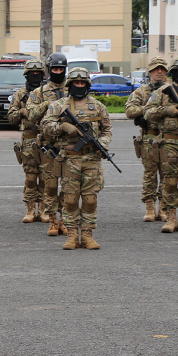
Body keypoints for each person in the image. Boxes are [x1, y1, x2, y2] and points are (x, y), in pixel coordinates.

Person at [41, 68, 112, 250]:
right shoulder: (58, 106)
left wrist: (103, 144)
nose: (79, 86)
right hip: (69, 160)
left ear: (87, 85)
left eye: (82, 83)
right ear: (70, 84)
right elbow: (46, 126)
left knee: (90, 199)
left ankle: (87, 235)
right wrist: (63, 127)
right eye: (76, 83)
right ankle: (72, 235)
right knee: (70, 200)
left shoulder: (98, 106)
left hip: (92, 159)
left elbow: (107, 129)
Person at [143, 58, 178, 234]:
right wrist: (166, 110)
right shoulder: (161, 92)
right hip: (169, 143)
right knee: (169, 182)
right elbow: (147, 113)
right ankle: (170, 218)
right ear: (173, 73)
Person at [26, 52, 69, 236]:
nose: (58, 72)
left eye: (61, 69)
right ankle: (52, 220)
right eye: (55, 69)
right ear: (49, 70)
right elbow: (30, 115)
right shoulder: (39, 93)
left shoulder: (72, 89)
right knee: (50, 186)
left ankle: (65, 220)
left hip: (68, 145)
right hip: (48, 146)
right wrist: (47, 105)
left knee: (68, 185)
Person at [125, 58, 168, 222]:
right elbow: (129, 110)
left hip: (168, 137)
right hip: (149, 138)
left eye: (162, 69)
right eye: (156, 69)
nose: (159, 72)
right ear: (150, 72)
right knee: (150, 175)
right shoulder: (142, 92)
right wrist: (147, 110)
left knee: (167, 175)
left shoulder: (172, 91)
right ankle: (150, 207)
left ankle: (163, 207)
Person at [7, 59, 45, 222]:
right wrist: (23, 112)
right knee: (30, 177)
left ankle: (43, 209)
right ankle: (30, 210)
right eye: (32, 73)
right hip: (29, 140)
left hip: (47, 139)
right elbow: (11, 117)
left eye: (38, 73)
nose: (35, 75)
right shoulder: (20, 94)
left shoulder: (47, 93)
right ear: (26, 75)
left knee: (45, 177)